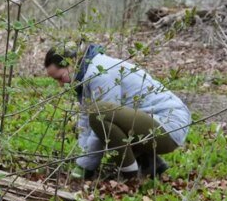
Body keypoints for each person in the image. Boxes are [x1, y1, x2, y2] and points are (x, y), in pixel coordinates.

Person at [44, 44, 191, 180]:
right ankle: (151, 165)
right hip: (156, 124)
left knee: (100, 113)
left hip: (169, 126)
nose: (61, 84)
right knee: (99, 114)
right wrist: (82, 159)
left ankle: (130, 175)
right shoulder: (86, 75)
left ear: (72, 63)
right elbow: (85, 122)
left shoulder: (99, 73)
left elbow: (100, 119)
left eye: (60, 77)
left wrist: (85, 167)